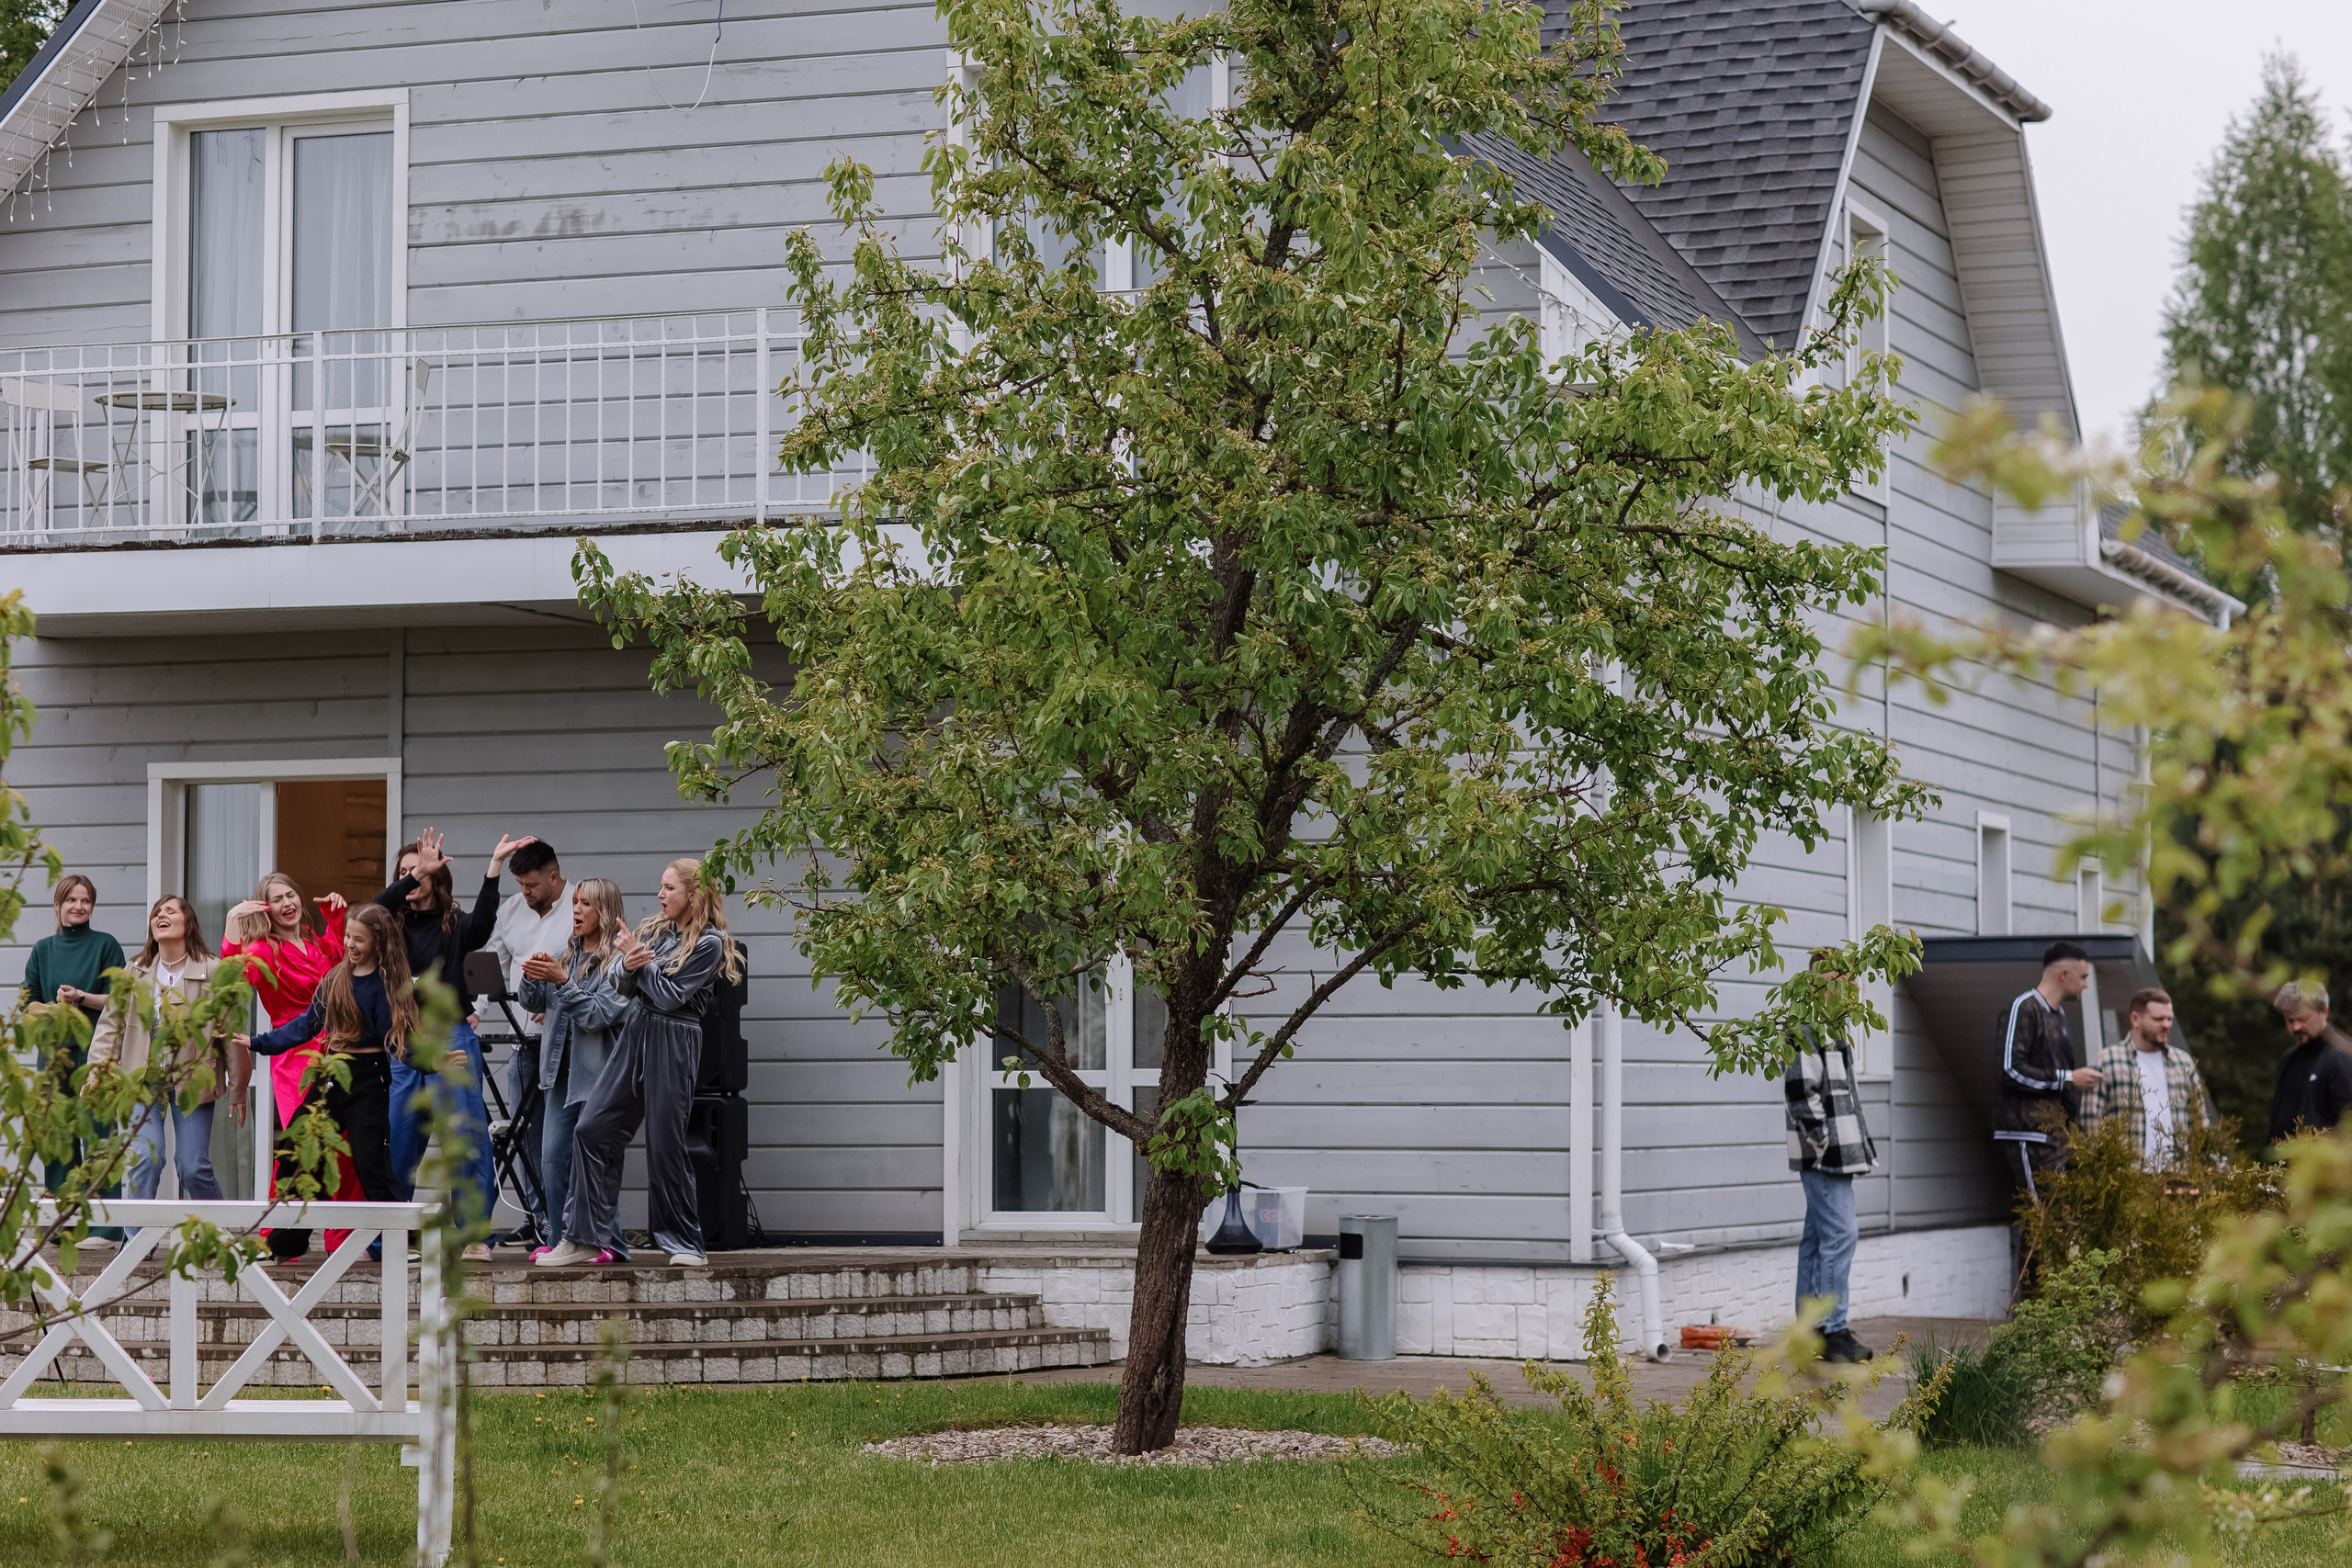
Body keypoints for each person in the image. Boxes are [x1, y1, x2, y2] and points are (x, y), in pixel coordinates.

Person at [538, 858, 741, 1269]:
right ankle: (583, 1238)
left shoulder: (709, 942)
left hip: (674, 1037)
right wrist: (628, 966)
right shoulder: (655, 931)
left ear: (692, 894)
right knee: (592, 1129)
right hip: (637, 1031)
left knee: (666, 1146)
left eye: (669, 888)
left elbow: (670, 996)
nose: (660, 895)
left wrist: (637, 961)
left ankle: (684, 1243)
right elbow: (616, 979)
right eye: (661, 887)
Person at [374, 828, 527, 1262]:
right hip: (405, 1039)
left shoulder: (454, 924)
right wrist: (411, 874)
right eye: (403, 872)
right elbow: (373, 910)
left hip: (454, 1033)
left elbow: (483, 927)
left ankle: (473, 1233)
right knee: (400, 1138)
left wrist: (494, 868)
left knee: (467, 1135)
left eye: (420, 871)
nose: (412, 877)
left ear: (438, 876)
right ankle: (393, 1235)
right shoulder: (391, 926)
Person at [234, 904, 411, 1218]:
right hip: (331, 1072)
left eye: (360, 939)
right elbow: (305, 1025)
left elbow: (398, 1042)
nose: (350, 945)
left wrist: (435, 1061)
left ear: (378, 943)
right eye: (347, 936)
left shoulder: (388, 985)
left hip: (370, 1078)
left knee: (370, 1163)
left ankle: (405, 1241)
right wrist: (258, 1042)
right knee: (296, 1151)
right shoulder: (335, 978)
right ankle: (283, 1242)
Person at [221, 874, 361, 1258]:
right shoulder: (265, 951)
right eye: (276, 898)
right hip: (295, 1056)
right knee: (304, 1143)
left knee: (344, 1145)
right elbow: (232, 980)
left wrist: (336, 919)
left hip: (340, 1051)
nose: (286, 902)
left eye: (290, 894)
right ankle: (275, 1236)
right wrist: (233, 926)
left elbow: (345, 963)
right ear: (265, 908)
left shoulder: (316, 942)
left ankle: (343, 1239)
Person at [88, 896, 249, 1214]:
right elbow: (111, 1025)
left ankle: (220, 1235)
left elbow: (229, 1033)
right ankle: (135, 1244)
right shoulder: (135, 970)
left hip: (194, 1080)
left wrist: (238, 1087)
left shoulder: (213, 970)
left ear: (188, 922)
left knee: (192, 1166)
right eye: (156, 913)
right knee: (145, 1159)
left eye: (170, 911)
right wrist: (98, 1069)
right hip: (142, 1080)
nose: (160, 916)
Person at [517, 877, 631, 1261]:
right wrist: (532, 974)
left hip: (598, 1077)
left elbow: (597, 1015)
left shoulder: (618, 965)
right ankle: (560, 1239)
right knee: (552, 1160)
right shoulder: (567, 957)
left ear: (606, 911)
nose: (577, 909)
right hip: (558, 1074)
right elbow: (534, 1001)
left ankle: (607, 1244)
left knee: (595, 1162)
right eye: (576, 902)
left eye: (586, 904)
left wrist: (562, 982)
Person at [19, 874, 128, 1239]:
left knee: (99, 1134)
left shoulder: (106, 946)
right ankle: (65, 1227)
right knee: (58, 1134)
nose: (78, 906)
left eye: (86, 901)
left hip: (95, 1052)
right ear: (58, 904)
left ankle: (104, 1229)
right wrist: (54, 1008)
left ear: (93, 906)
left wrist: (81, 997)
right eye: (71, 900)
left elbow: (119, 1000)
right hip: (53, 1056)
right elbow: (26, 1004)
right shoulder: (43, 949)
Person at [1782, 957, 1878, 1364]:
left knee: (1819, 1239)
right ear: (1818, 981)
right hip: (1826, 1157)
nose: (1853, 987)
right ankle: (1832, 1330)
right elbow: (1801, 1094)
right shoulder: (1804, 1029)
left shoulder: (1833, 1028)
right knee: (1841, 1236)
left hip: (1836, 1154)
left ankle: (1808, 1329)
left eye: (1854, 980)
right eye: (1843, 979)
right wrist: (1823, 1147)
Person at [483, 836, 567, 1238]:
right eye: (520, 885)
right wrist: (476, 1013)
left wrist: (558, 1003)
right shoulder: (511, 909)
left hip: (564, 1044)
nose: (525, 892)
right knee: (524, 1132)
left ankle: (564, 1220)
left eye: (532, 885)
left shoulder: (579, 906)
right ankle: (536, 1218)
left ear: (554, 877)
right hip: (520, 1042)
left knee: (560, 1135)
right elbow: (493, 966)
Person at [1995, 940, 2102, 1199]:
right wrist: (2068, 1078)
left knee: (2057, 1224)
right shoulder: (2024, 1008)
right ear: (2064, 975)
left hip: (2057, 1137)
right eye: (2084, 977)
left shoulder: (2059, 1015)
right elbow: (2010, 1069)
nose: (2086, 984)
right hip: (2028, 1134)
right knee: (2042, 1221)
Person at [2079, 987, 2214, 1170]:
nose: (2166, 1025)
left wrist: (2206, 1161)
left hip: (2176, 1176)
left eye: (2169, 1019)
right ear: (2135, 1019)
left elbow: (2199, 1120)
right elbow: (2091, 1121)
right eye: (2158, 1019)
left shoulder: (2183, 1062)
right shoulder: (2108, 1060)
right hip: (2127, 1177)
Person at [2267, 979, 2352, 1147]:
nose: (2296, 1027)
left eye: (2302, 1019)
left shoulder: (2341, 1057)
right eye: (2290, 1021)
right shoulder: (2288, 1060)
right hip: (2283, 1168)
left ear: (2324, 1012)